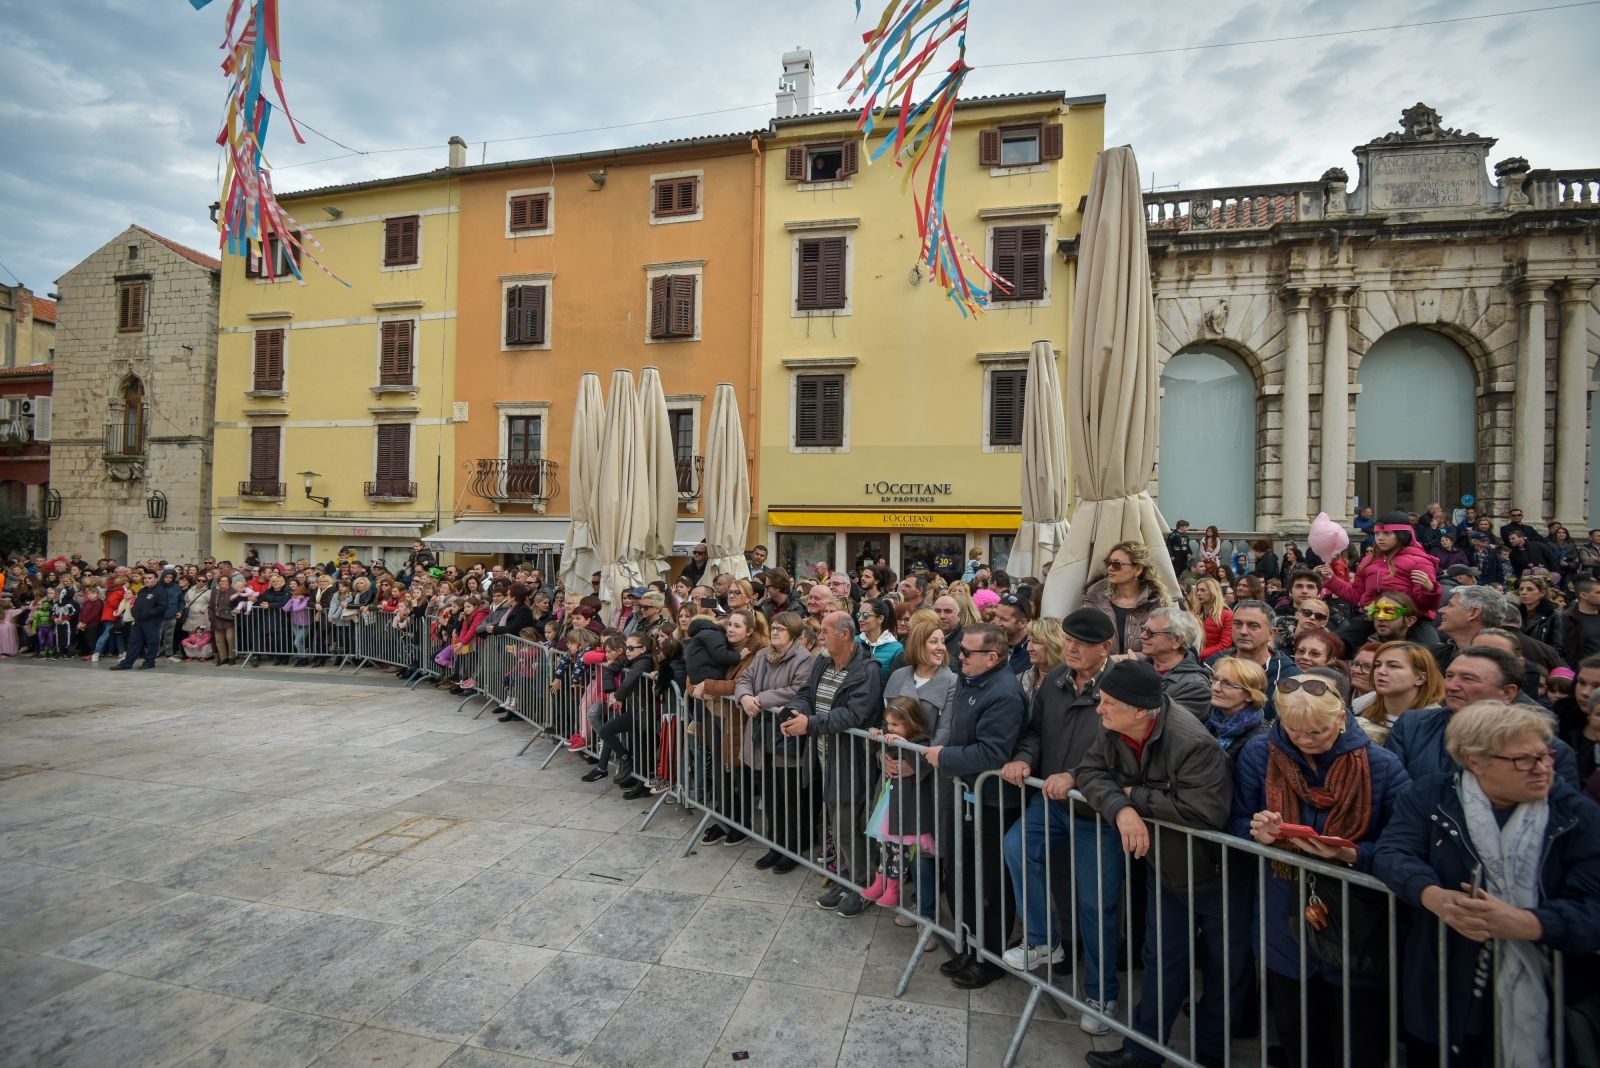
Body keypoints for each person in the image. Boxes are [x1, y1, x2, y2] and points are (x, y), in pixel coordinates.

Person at [1374, 700, 1600, 1068]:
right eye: (1523, 760)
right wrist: (1432, 895)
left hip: (1550, 996)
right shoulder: (1432, 796)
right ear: (1475, 761)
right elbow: (1393, 854)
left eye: (1545, 756)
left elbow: (1593, 906)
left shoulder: (1576, 815)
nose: (1542, 768)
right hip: (1442, 986)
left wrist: (1527, 923)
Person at [1231, 679, 1411, 1068]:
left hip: (1357, 923)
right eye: (1293, 731)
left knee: (1360, 1038)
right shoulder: (1261, 753)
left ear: (1342, 719)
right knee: (1299, 1035)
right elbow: (1236, 820)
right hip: (1284, 912)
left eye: (1317, 731)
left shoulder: (1381, 765)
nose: (1304, 740)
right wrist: (1255, 831)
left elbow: (1406, 846)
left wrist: (1352, 855)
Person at [1079, 660, 1247, 1068]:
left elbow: (1206, 812)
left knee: (1225, 972)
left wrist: (1135, 796)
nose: (1099, 709)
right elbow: (1089, 771)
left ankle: (1211, 1054)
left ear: (1139, 710)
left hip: (1218, 874)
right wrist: (1122, 808)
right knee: (1161, 961)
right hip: (1168, 869)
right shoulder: (1116, 729)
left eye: (1107, 703)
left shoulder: (1190, 743)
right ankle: (1143, 1051)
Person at [999, 608, 1117, 1028]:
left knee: (1095, 906)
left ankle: (1102, 997)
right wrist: (1024, 759)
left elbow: (1124, 751)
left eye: (1082, 643)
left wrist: (1075, 776)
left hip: (1098, 814)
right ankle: (1044, 940)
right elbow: (1034, 731)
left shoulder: (1118, 687)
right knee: (1015, 847)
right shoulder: (1054, 679)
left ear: (1106, 648)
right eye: (1068, 639)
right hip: (1050, 803)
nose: (1071, 648)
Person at [923, 622, 1026, 990]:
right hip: (969, 796)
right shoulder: (972, 680)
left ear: (992, 658)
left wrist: (945, 756)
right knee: (963, 874)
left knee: (992, 885)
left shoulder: (1004, 692)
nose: (958, 656)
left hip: (996, 802)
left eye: (967, 652)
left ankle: (990, 958)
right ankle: (969, 945)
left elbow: (993, 751)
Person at [782, 611, 885, 919]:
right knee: (836, 827)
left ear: (845, 635)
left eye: (824, 631)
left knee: (847, 827)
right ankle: (846, 878)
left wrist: (809, 724)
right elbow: (806, 696)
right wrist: (794, 711)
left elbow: (854, 715)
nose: (819, 637)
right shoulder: (822, 662)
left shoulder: (867, 670)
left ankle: (864, 885)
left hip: (852, 761)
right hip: (824, 757)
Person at [1387, 644, 1581, 789]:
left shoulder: (1549, 750)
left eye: (1468, 679)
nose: (1452, 686)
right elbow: (1393, 797)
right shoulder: (1411, 725)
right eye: (1449, 676)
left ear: (1507, 693)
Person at [1318, 510, 1441, 651]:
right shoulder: (1367, 561)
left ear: (1402, 535)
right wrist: (1332, 580)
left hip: (1410, 619)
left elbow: (1427, 605)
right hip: (1374, 616)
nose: (1380, 538)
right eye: (1377, 534)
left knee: (1431, 654)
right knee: (1332, 645)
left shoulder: (1419, 561)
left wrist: (1429, 589)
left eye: (1387, 534)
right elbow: (1356, 596)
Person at [860, 697, 937, 913]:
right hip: (891, 802)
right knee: (886, 845)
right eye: (888, 723)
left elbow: (919, 762)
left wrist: (900, 743)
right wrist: (879, 737)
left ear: (910, 723)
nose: (889, 728)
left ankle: (894, 886)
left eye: (895, 724)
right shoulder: (892, 736)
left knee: (902, 850)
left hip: (909, 807)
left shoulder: (921, 741)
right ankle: (880, 880)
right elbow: (885, 754)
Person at [1205, 600, 1300, 718]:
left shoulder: (1290, 677)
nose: (1243, 631)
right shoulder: (1210, 667)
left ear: (1271, 633)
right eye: (1238, 624)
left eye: (1253, 626)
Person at [1083, 541, 1172, 657]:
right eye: (1108, 563)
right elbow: (1084, 641)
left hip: (1143, 671)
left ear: (1138, 569)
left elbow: (1165, 647)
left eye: (1117, 564)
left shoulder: (1157, 602)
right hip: (1101, 672)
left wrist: (1129, 659)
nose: (1110, 568)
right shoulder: (1094, 598)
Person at [1359, 640, 1445, 746]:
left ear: (1420, 678)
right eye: (1377, 665)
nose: (1381, 671)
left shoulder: (1436, 724)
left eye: (1393, 666)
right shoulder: (1358, 710)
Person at [1140, 607, 1211, 719]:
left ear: (1177, 640)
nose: (1142, 636)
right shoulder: (1138, 667)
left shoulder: (1195, 686)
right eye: (1143, 630)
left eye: (1150, 633)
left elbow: (1162, 725)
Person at [1205, 656, 1271, 762]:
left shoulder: (1260, 741)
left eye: (1227, 684)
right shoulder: (1211, 720)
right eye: (1215, 679)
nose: (1215, 688)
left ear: (1250, 695)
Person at [110, 572, 165, 670]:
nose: (147, 580)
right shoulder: (143, 590)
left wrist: (148, 613)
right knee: (133, 642)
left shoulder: (160, 591)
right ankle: (127, 663)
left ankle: (149, 661)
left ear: (156, 579)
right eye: (145, 578)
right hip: (138, 620)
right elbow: (137, 603)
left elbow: (161, 607)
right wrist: (134, 612)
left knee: (152, 641)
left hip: (151, 621)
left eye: (150, 578)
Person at [855, 597, 903, 682]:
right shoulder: (853, 642)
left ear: (880, 619)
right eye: (859, 615)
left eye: (865, 615)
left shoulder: (897, 649)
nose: (860, 619)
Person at [1187, 576, 1233, 660]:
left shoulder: (1227, 615)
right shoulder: (1194, 613)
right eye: (1197, 590)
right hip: (1192, 658)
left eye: (1203, 590)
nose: (1198, 593)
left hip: (1213, 661)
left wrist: (1200, 655)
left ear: (1213, 592)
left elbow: (1224, 645)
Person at [1515, 574, 1565, 652]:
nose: (1523, 593)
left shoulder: (1553, 616)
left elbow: (1557, 647)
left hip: (1542, 661)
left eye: (1530, 589)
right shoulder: (1515, 615)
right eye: (1521, 589)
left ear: (1542, 593)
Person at [1018, 617, 1064, 700]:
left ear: (1054, 645)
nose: (1029, 648)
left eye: (1036, 642)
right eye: (1028, 641)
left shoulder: (1071, 684)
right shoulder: (1021, 680)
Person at [1560, 576, 1600, 670]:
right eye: (1598, 593)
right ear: (1584, 595)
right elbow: (1559, 649)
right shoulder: (1566, 618)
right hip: (1579, 673)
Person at [992, 591, 1032, 676]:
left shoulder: (1032, 652)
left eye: (1004, 619)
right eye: (996, 616)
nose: (997, 622)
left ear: (1022, 623)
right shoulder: (989, 642)